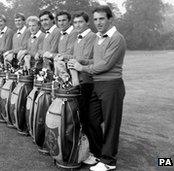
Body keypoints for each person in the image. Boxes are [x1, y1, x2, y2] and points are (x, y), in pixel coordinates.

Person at [71, 6, 126, 171]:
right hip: (98, 85)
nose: (98, 22)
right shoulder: (98, 38)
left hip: (112, 85)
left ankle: (109, 161)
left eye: (101, 19)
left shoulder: (117, 38)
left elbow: (105, 65)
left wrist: (82, 68)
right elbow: (94, 61)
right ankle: (99, 153)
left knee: (111, 124)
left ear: (110, 19)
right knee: (91, 119)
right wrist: (79, 61)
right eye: (95, 19)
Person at [66, 11, 97, 165]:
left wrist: (77, 61)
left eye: (80, 22)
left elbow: (94, 60)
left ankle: (89, 152)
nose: (77, 25)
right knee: (79, 116)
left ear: (87, 23)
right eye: (75, 23)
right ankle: (81, 149)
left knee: (85, 117)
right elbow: (73, 57)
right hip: (78, 81)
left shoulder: (92, 37)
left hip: (88, 81)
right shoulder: (78, 38)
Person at [50, 11, 78, 81]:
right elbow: (56, 51)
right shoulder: (61, 33)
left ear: (69, 21)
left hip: (71, 67)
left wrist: (54, 56)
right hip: (60, 65)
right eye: (59, 21)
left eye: (64, 20)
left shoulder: (74, 32)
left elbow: (70, 53)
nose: (61, 23)